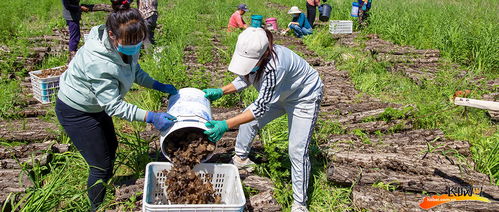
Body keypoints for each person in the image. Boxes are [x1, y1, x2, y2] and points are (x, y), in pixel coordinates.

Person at [55, 0, 178, 209]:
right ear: (112, 35)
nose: (136, 46)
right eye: (132, 42)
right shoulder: (98, 61)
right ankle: (96, 206)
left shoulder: (127, 43)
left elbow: (134, 70)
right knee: (99, 165)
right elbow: (114, 106)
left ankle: (104, 186)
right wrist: (151, 116)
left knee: (111, 147)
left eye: (139, 41)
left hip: (97, 105)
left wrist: (157, 85)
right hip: (77, 110)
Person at [202, 27, 323, 212]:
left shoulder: (275, 66)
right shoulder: (257, 58)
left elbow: (260, 108)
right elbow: (246, 78)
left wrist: (225, 124)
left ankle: (300, 204)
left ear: (265, 53)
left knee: (297, 150)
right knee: (248, 119)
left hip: (303, 97)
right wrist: (221, 91)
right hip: (278, 94)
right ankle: (241, 160)